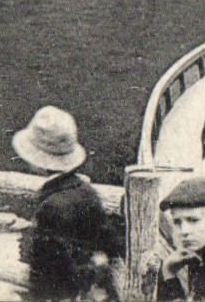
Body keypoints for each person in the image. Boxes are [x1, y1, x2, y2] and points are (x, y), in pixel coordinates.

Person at [12, 106, 122, 302]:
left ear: (36, 162)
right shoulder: (88, 192)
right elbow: (108, 241)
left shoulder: (50, 206)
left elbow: (43, 269)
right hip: (94, 289)